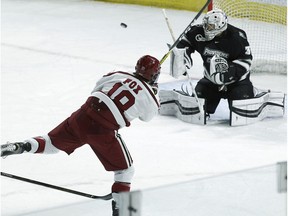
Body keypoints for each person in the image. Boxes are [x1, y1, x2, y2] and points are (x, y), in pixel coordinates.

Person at [1, 55, 161, 216]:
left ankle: (20, 146)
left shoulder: (119, 74)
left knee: (50, 143)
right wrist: (154, 91)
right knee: (125, 171)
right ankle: (123, 212)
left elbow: (97, 87)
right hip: (103, 130)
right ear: (154, 74)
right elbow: (147, 117)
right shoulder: (150, 96)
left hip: (83, 115)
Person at [171, 9, 254, 115]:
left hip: (237, 82)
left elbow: (246, 61)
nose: (206, 28)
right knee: (197, 110)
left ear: (220, 27)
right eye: (206, 25)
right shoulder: (198, 32)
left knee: (242, 112)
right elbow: (185, 41)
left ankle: (250, 92)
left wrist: (228, 74)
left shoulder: (237, 37)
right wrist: (183, 56)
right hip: (210, 81)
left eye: (210, 26)